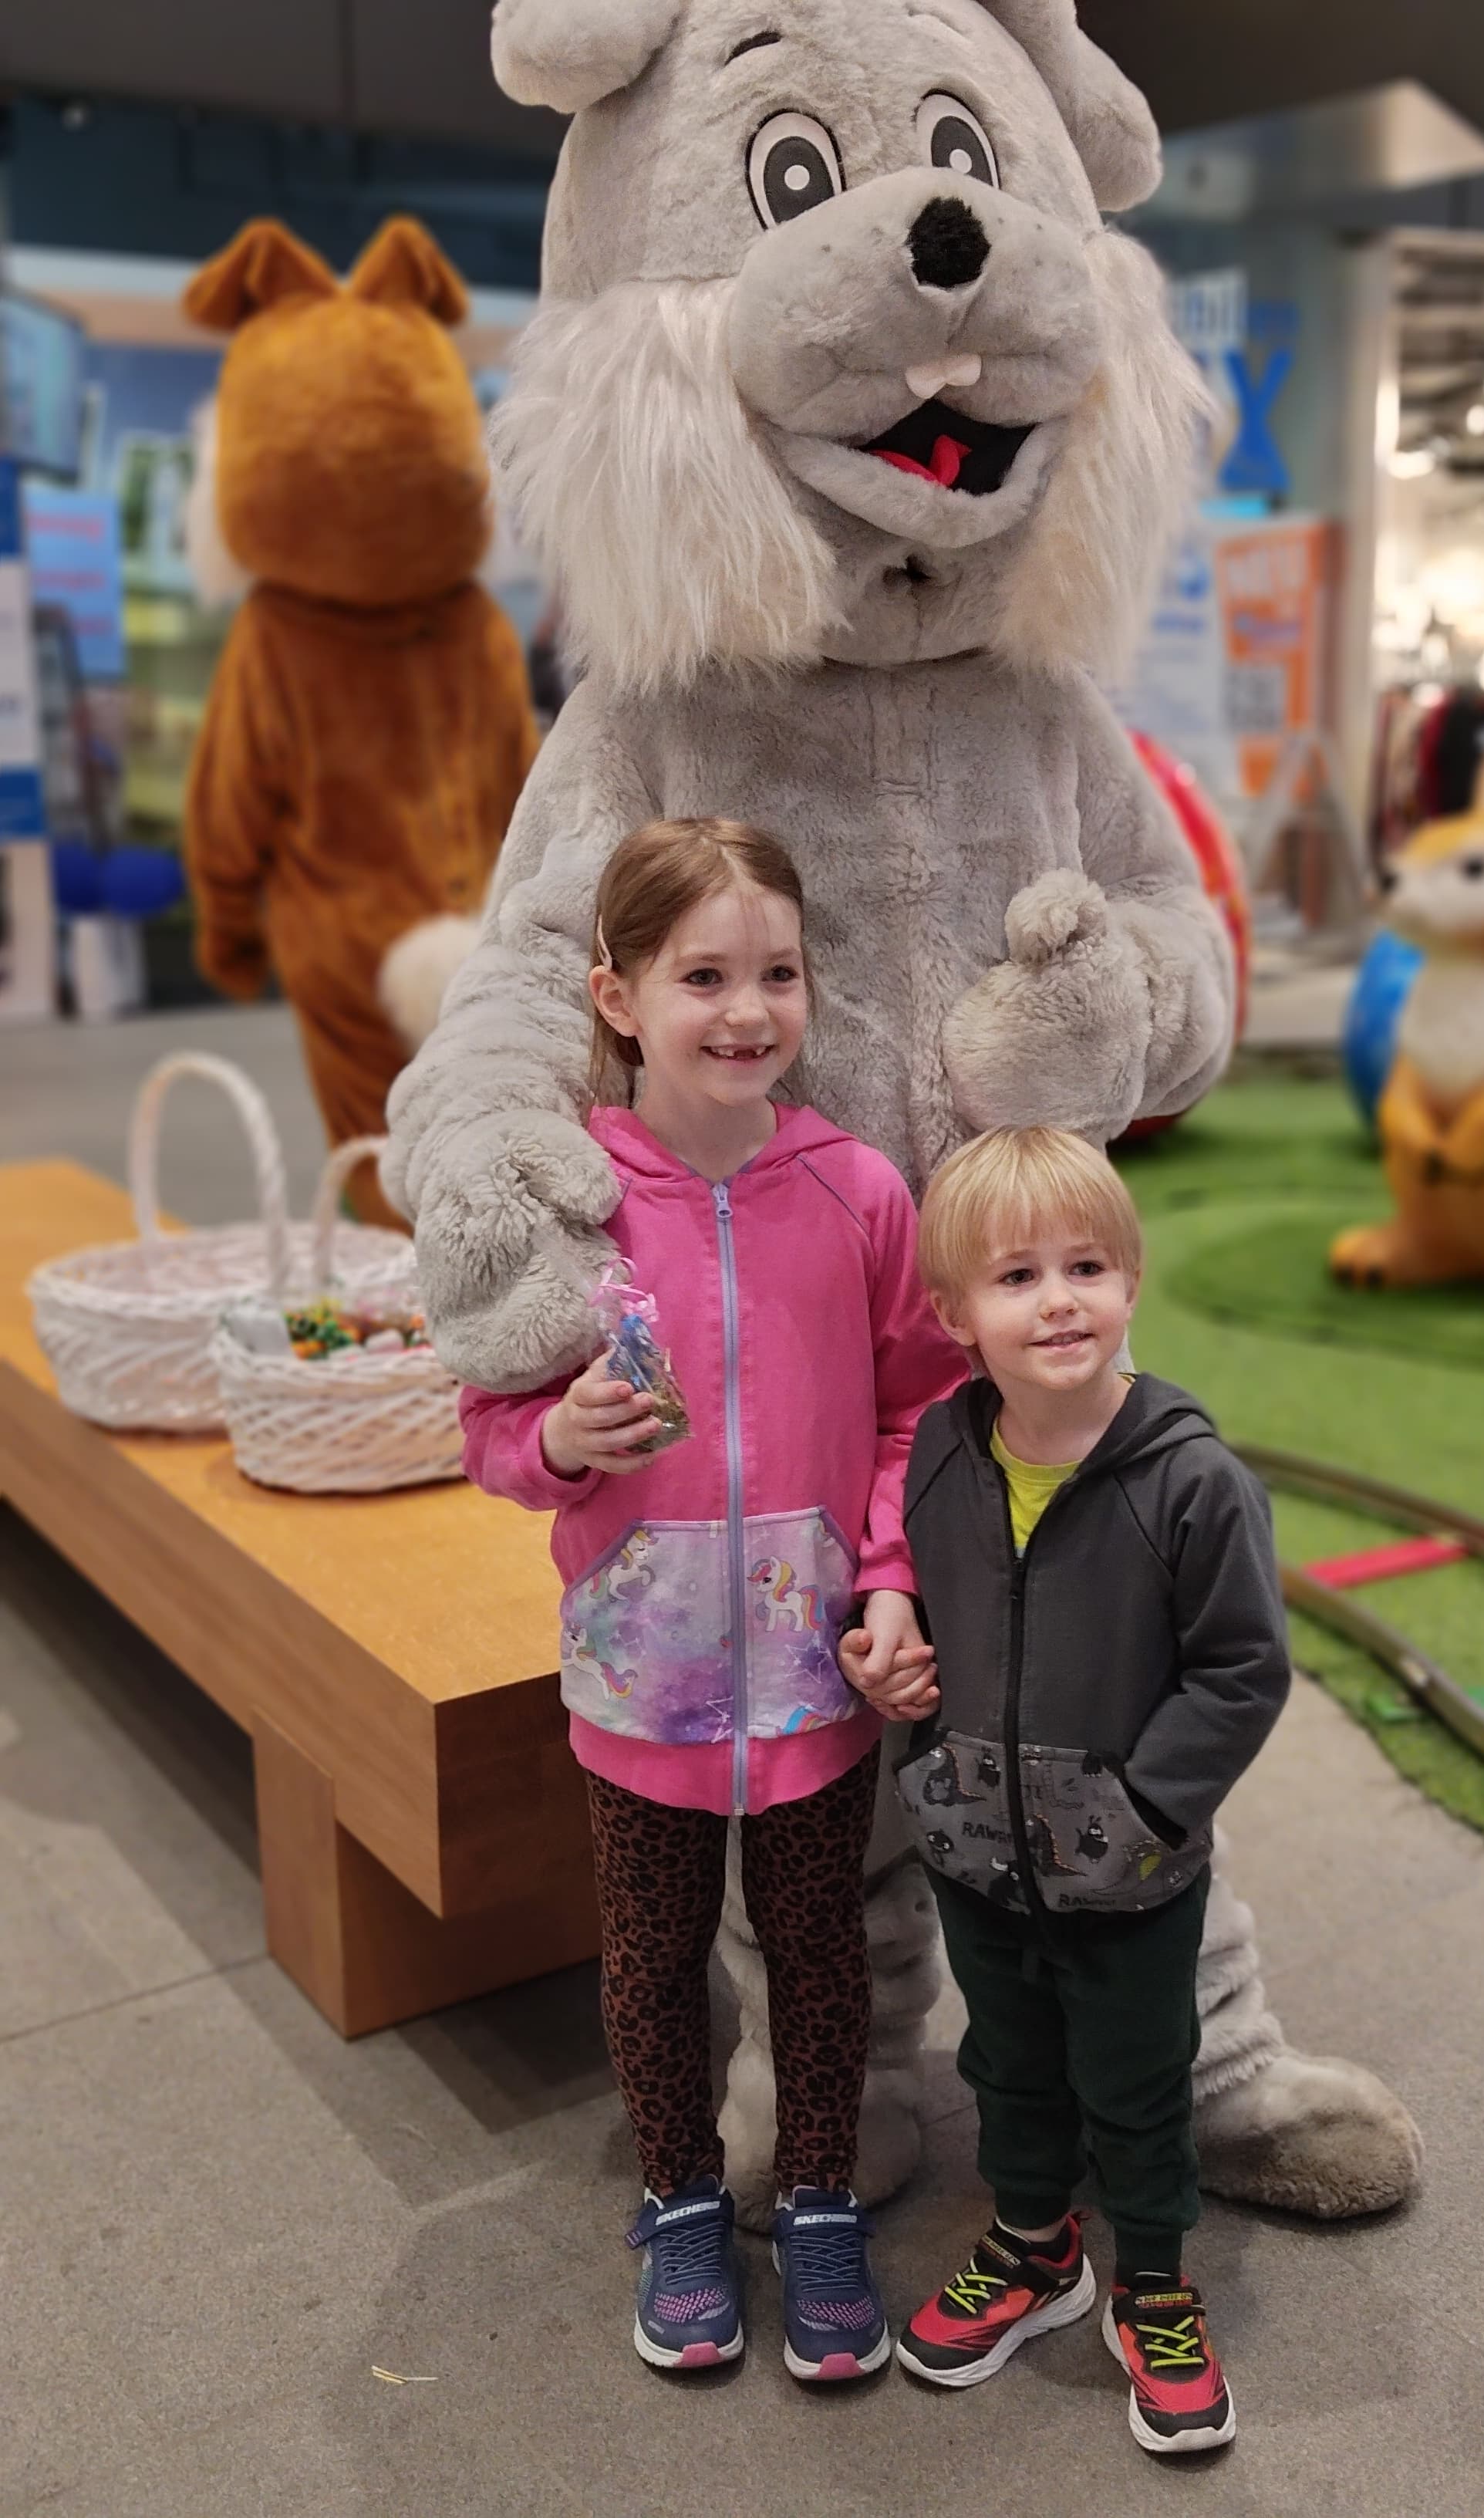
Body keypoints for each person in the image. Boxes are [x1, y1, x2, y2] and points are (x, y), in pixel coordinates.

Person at [459, 818, 963, 2384]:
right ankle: (679, 2201)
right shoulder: (568, 1209)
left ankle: (819, 2205)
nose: (747, 1011)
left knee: (819, 1951)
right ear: (618, 997)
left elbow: (919, 1412)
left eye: (778, 974)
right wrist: (556, 1441)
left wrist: (893, 1581)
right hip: (640, 1674)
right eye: (704, 978)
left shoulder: (861, 1191)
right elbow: (489, 1426)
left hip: (819, 1675)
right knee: (652, 1953)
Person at [845, 1126, 1290, 2456]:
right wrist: (902, 1676)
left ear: (1131, 1280)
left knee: (1139, 2079)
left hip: (1133, 1873)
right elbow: (926, 1602)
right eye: (1017, 1276)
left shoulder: (1195, 1484)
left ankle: (1152, 2281)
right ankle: (1037, 2247)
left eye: (1086, 1267)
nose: (1057, 1302)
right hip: (978, 1852)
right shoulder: (941, 1451)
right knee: (1010, 2062)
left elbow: (1242, 1672)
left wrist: (1144, 1813)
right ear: (954, 1315)